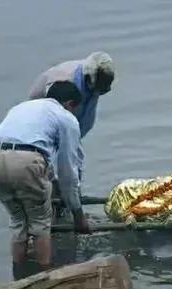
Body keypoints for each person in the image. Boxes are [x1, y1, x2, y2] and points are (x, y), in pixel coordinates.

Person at [0, 81, 90, 276]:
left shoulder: (22, 107)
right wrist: (78, 215)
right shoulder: (65, 117)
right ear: (69, 104)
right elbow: (68, 171)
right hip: (26, 160)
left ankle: (18, 278)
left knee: (18, 221)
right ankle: (43, 284)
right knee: (41, 223)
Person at [28, 52, 115, 217]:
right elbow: (53, 121)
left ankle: (70, 203)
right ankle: (56, 209)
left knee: (73, 169)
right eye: (98, 89)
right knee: (53, 172)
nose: (101, 93)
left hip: (73, 128)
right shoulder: (65, 83)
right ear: (90, 79)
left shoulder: (96, 76)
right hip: (45, 128)